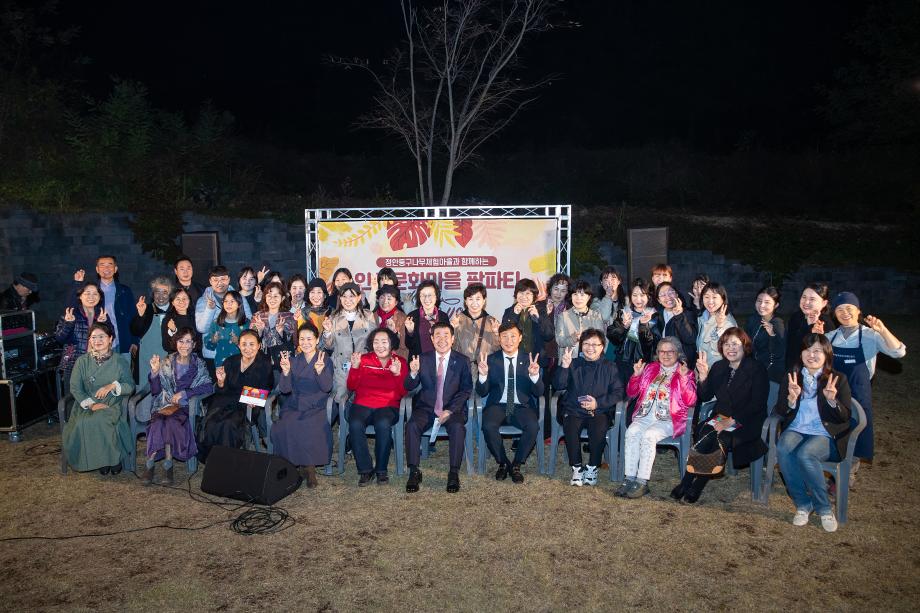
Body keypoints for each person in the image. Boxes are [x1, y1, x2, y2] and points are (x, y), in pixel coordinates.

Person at [672, 328, 769, 503]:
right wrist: (703, 377)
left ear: (744, 346)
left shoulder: (756, 368)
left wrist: (731, 421)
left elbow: (757, 403)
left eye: (735, 344)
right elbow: (705, 396)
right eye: (726, 344)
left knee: (721, 436)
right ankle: (687, 481)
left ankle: (697, 485)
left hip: (747, 420)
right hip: (721, 416)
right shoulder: (719, 367)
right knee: (705, 431)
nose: (730, 348)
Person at [774, 333, 852, 532]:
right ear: (801, 354)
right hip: (797, 429)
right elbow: (780, 410)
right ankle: (803, 504)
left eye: (817, 351)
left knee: (805, 454)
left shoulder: (838, 379)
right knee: (782, 448)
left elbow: (845, 417)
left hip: (825, 433)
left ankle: (824, 508)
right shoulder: (792, 376)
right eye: (807, 350)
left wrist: (832, 401)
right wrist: (791, 400)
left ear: (827, 355)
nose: (811, 355)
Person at [826, 291, 906, 467]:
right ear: (834, 314)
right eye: (839, 309)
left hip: (859, 393)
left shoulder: (871, 335)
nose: (845, 313)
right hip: (835, 393)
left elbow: (898, 352)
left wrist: (883, 331)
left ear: (858, 311)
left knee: (858, 432)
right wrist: (816, 337)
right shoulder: (831, 337)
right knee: (835, 430)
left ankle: (850, 470)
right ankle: (834, 466)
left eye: (849, 308)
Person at [618, 337, 696, 499]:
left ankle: (642, 482)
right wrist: (636, 376)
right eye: (662, 351)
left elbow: (691, 401)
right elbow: (631, 392)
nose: (666, 355)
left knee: (649, 435)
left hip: (669, 419)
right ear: (657, 353)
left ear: (678, 353)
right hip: (645, 415)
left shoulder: (685, 372)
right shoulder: (650, 368)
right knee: (631, 431)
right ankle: (629, 478)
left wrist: (683, 379)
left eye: (670, 351)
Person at [404, 322, 473, 493]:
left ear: (453, 339)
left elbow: (466, 389)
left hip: (452, 409)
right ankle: (414, 471)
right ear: (432, 339)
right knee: (411, 425)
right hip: (426, 408)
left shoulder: (462, 361)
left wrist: (450, 410)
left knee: (457, 428)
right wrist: (413, 373)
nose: (442, 340)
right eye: (438, 336)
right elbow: (409, 386)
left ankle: (453, 473)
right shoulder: (423, 359)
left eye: (446, 336)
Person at [61, 323, 135, 474]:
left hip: (111, 404)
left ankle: (112, 459)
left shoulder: (119, 361)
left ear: (110, 339)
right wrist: (91, 405)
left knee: (102, 419)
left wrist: (112, 386)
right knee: (84, 422)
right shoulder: (82, 361)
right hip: (86, 404)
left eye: (102, 336)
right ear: (89, 340)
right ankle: (102, 460)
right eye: (93, 337)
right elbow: (75, 387)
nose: (97, 340)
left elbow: (130, 385)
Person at [553, 329, 624, 486]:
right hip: (574, 410)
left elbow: (618, 392)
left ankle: (592, 467)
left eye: (595, 344)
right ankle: (577, 467)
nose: (590, 348)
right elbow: (558, 385)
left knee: (599, 429)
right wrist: (564, 366)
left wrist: (598, 403)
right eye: (586, 344)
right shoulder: (573, 363)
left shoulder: (610, 367)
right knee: (570, 427)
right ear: (581, 345)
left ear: (602, 347)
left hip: (599, 411)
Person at [143, 327, 213, 485]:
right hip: (165, 405)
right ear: (175, 343)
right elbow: (155, 391)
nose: (184, 345)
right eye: (181, 341)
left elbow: (208, 386)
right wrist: (155, 372)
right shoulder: (166, 362)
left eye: (188, 341)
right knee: (158, 421)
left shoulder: (199, 364)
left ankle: (168, 465)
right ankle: (150, 463)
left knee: (172, 421)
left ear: (194, 344)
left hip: (187, 407)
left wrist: (186, 393)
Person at [476, 321, 544, 483]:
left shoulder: (528, 360)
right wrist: (483, 375)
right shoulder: (491, 360)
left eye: (513, 336)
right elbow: (482, 392)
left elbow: (539, 392)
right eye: (504, 336)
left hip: (522, 406)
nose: (509, 340)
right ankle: (503, 463)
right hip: (498, 405)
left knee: (532, 426)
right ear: (499, 339)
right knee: (488, 425)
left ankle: (516, 464)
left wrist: (534, 376)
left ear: (520, 338)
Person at [197, 330, 275, 463]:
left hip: (247, 406)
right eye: (244, 344)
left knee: (229, 425)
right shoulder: (230, 361)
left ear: (259, 346)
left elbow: (266, 388)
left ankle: (227, 462)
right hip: (224, 402)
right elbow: (221, 391)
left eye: (252, 344)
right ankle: (212, 460)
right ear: (238, 345)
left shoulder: (265, 363)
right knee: (212, 423)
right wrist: (221, 382)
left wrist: (254, 399)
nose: (247, 348)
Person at [272, 323, 333, 488]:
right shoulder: (293, 360)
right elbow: (285, 390)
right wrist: (285, 372)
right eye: (302, 339)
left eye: (309, 339)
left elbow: (327, 387)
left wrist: (320, 371)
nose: (305, 343)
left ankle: (309, 467)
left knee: (307, 424)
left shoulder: (324, 359)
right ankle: (292, 466)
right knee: (285, 425)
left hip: (317, 404)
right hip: (295, 403)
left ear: (317, 340)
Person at [345, 328, 408, 485]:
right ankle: (365, 470)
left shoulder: (399, 362)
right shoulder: (363, 359)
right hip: (363, 403)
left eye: (384, 342)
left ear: (391, 343)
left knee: (383, 423)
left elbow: (403, 392)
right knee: (355, 423)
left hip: (388, 405)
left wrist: (396, 374)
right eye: (376, 342)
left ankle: (381, 470)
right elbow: (351, 386)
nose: (380, 346)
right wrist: (355, 368)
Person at [321, 282, 378, 405]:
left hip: (363, 367)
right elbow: (329, 346)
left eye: (351, 296)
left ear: (359, 297)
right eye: (344, 296)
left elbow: (374, 342)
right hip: (341, 369)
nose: (348, 300)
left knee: (362, 402)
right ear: (340, 298)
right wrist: (327, 332)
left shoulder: (368, 315)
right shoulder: (333, 317)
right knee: (341, 402)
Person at [73, 256, 137, 357]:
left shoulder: (124, 291)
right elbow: (73, 308)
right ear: (97, 269)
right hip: (96, 343)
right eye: (102, 265)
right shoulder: (91, 291)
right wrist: (77, 284)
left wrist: (134, 340)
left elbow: (133, 317)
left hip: (120, 342)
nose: (106, 268)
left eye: (110, 265)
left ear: (115, 269)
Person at [606, 279, 659, 385]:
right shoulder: (624, 313)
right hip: (623, 362)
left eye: (642, 295)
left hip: (644, 363)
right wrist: (624, 327)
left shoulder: (654, 315)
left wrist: (643, 326)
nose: (638, 299)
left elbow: (652, 343)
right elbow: (613, 338)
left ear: (648, 296)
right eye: (634, 295)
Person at [195, 265, 247, 370]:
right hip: (213, 354)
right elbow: (201, 328)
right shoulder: (203, 300)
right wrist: (210, 309)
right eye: (215, 280)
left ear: (229, 279)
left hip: (237, 352)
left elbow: (248, 321)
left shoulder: (239, 297)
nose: (220, 283)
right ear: (210, 281)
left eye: (223, 279)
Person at [55, 283, 106, 384]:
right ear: (80, 296)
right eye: (87, 293)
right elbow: (60, 339)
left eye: (95, 294)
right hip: (73, 365)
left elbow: (111, 338)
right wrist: (68, 324)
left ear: (100, 297)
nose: (91, 297)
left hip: (97, 365)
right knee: (72, 394)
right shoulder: (71, 314)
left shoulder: (102, 315)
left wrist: (103, 325)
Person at [450, 283, 500, 381]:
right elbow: (452, 349)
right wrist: (454, 329)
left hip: (485, 370)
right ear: (465, 301)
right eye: (470, 299)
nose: (474, 303)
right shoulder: (457, 320)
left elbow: (498, 350)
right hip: (462, 370)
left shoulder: (492, 321)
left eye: (478, 299)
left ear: (484, 301)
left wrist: (496, 334)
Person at [130, 275, 174, 385]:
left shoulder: (175, 310)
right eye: (157, 292)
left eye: (165, 292)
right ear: (153, 294)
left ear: (170, 294)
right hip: (146, 359)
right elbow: (135, 331)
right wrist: (140, 315)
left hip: (169, 359)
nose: (161, 296)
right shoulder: (145, 308)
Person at [501, 278, 554, 364]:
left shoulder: (541, 310)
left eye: (528, 293)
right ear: (516, 294)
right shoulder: (509, 311)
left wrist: (538, 318)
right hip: (515, 360)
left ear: (534, 296)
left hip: (536, 360)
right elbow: (505, 335)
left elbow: (549, 335)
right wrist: (514, 315)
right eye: (521, 293)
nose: (524, 297)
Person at [785, 283, 835, 370]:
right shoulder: (796, 317)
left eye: (812, 299)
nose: (806, 302)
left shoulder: (825, 324)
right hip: (793, 369)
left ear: (824, 303)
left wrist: (819, 335)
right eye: (804, 297)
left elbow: (826, 356)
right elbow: (791, 346)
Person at [743, 286, 786, 383]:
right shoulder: (753, 319)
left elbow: (779, 354)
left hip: (770, 374)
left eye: (767, 302)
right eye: (759, 301)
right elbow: (745, 343)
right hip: (752, 370)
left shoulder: (778, 324)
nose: (761, 305)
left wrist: (772, 335)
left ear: (776, 305)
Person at [250, 281, 297, 364]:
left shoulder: (289, 317)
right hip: (260, 361)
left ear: (282, 298)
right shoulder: (257, 316)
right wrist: (260, 331)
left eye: (276, 296)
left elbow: (293, 342)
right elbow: (251, 340)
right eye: (269, 296)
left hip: (282, 362)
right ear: (265, 297)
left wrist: (281, 333)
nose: (272, 299)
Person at [653, 281, 698, 369]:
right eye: (663, 295)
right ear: (659, 300)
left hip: (683, 366)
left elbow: (690, 339)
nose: (668, 297)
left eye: (671, 292)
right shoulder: (656, 316)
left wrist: (679, 316)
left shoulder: (688, 313)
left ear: (677, 294)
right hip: (662, 365)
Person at [554, 280, 606, 354]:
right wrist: (572, 338)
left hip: (590, 357)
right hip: (569, 358)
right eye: (575, 294)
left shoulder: (596, 316)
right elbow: (559, 341)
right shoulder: (562, 316)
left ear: (588, 297)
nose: (578, 298)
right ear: (571, 296)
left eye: (582, 295)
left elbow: (600, 340)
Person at [405, 279, 450, 359]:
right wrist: (410, 332)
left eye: (430, 295)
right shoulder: (412, 316)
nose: (426, 299)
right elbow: (409, 345)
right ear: (419, 297)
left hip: (439, 362)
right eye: (423, 295)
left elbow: (448, 343)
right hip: (418, 362)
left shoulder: (443, 316)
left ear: (436, 297)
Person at [696, 282, 737, 367]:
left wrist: (720, 326)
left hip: (717, 369)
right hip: (703, 367)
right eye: (706, 297)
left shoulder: (727, 322)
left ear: (723, 299)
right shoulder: (703, 316)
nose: (710, 301)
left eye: (714, 297)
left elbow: (720, 349)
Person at [205, 291, 250, 367]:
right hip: (221, 364)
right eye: (226, 301)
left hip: (241, 365)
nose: (228, 304)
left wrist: (238, 342)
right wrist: (213, 340)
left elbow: (251, 347)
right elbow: (208, 345)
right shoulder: (216, 322)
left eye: (232, 301)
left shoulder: (246, 323)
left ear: (239, 304)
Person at [375, 285, 408, 360]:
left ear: (396, 302)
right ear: (378, 299)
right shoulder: (372, 316)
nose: (385, 301)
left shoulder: (403, 318)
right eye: (382, 297)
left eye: (389, 298)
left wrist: (394, 332)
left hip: (396, 359)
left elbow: (404, 345)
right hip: (375, 360)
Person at [161, 288, 198, 353]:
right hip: (175, 357)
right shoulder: (168, 320)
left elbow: (199, 343)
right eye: (178, 299)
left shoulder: (196, 318)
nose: (181, 301)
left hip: (193, 356)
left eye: (184, 298)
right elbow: (166, 346)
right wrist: (173, 332)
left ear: (189, 301)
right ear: (172, 302)